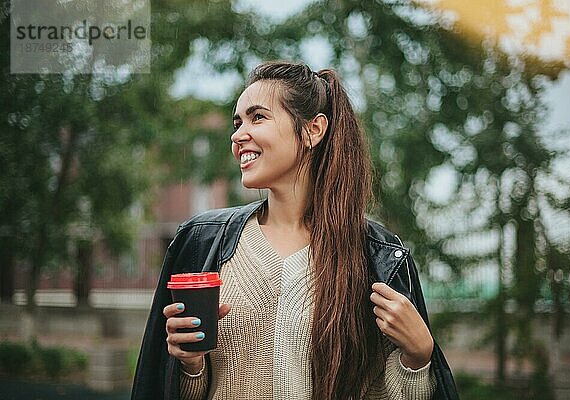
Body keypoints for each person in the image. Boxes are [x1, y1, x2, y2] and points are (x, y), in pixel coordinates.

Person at [131, 60, 459, 400]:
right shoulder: (202, 242)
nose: (238, 134)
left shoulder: (377, 256)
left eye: (257, 117)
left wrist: (419, 357)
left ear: (313, 130)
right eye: (237, 121)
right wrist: (190, 365)